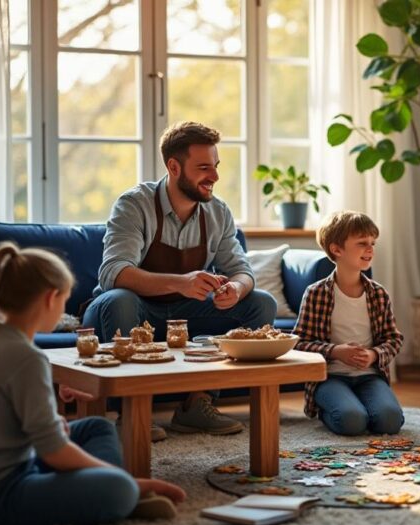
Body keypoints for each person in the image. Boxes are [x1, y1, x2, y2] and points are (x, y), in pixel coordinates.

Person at [0, 243, 186, 525]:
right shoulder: (24, 356)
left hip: (1, 475)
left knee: (97, 427)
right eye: (64, 301)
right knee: (119, 487)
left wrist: (52, 424)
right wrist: (130, 482)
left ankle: (95, 493)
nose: (63, 310)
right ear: (50, 299)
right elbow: (54, 451)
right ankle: (114, 496)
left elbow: (10, 421)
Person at [82, 121, 277, 439]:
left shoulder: (218, 213)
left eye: (215, 166)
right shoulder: (134, 204)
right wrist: (181, 282)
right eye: (203, 167)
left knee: (260, 304)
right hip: (128, 311)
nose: (214, 176)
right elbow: (113, 273)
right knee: (120, 300)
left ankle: (197, 404)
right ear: (174, 167)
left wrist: (235, 289)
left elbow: (244, 273)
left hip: (186, 314)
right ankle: (133, 411)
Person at [293, 211, 405, 435]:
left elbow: (394, 339)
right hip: (330, 377)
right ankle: (327, 409)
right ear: (337, 250)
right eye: (362, 243)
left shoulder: (378, 294)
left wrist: (373, 355)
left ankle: (359, 407)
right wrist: (335, 351)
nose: (370, 249)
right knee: (352, 422)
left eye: (373, 242)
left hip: (369, 376)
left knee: (390, 421)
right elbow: (299, 342)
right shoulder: (316, 293)